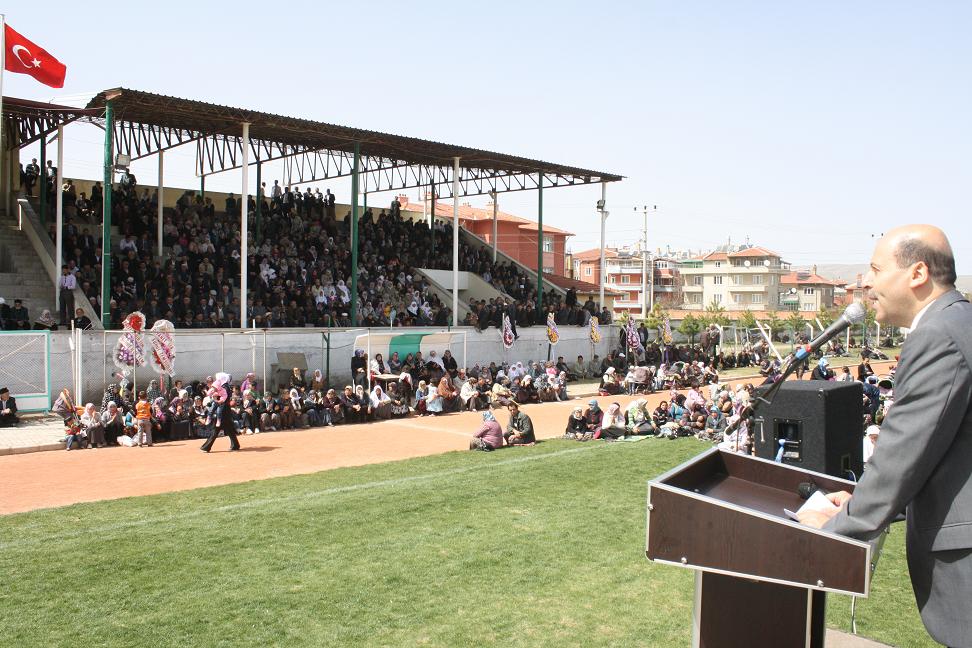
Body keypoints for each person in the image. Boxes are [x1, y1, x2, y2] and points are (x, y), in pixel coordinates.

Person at [796, 225, 972, 647]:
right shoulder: (958, 322)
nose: (867, 283)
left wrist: (834, 529)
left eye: (875, 270)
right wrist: (860, 501)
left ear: (917, 273)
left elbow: (901, 458)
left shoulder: (938, 336)